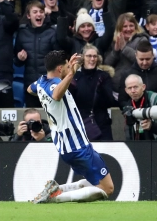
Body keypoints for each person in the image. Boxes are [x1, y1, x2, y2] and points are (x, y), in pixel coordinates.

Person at [27, 50, 114, 203]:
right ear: (60, 69)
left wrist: (43, 93)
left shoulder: (41, 82)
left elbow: (29, 89)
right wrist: (70, 75)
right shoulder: (55, 84)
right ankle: (56, 198)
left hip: (66, 146)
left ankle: (57, 189)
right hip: (76, 145)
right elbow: (56, 95)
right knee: (108, 188)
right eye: (68, 66)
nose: (70, 68)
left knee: (97, 182)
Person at [14, 0, 60, 107]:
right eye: (35, 12)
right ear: (29, 16)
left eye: (41, 11)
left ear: (44, 14)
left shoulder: (52, 32)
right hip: (31, 85)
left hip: (50, 85)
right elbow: (17, 61)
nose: (38, 14)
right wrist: (19, 58)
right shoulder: (22, 33)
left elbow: (59, 58)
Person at [69, 44, 116, 141]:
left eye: (95, 56)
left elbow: (110, 100)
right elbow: (70, 100)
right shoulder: (76, 77)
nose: (92, 59)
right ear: (83, 58)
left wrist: (100, 90)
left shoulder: (104, 76)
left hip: (101, 123)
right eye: (89, 56)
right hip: (82, 123)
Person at [104, 12, 149, 98]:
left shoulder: (142, 39)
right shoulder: (115, 40)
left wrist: (124, 48)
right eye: (125, 26)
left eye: (131, 25)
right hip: (116, 87)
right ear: (119, 28)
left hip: (134, 88)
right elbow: (107, 63)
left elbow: (141, 60)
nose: (128, 29)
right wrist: (115, 51)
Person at [118, 40, 157, 108]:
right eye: (141, 59)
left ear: (153, 56)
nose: (145, 62)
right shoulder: (126, 74)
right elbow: (122, 100)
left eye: (148, 59)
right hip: (135, 115)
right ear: (136, 56)